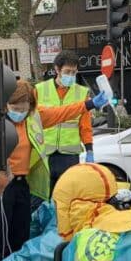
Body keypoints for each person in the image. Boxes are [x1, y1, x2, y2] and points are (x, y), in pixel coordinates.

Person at [4, 79, 108, 256]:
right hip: (3, 186)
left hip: (23, 184)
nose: (19, 113)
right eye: (15, 109)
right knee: (2, 236)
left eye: (23, 109)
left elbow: (62, 112)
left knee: (21, 234)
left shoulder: (34, 117)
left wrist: (90, 104)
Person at [35, 51, 94, 190]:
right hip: (45, 154)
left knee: (66, 196)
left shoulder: (81, 92)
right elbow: (32, 122)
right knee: (43, 198)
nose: (71, 76)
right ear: (57, 69)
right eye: (68, 71)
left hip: (69, 155)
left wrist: (90, 150)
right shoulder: (40, 89)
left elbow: (85, 126)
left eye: (74, 72)